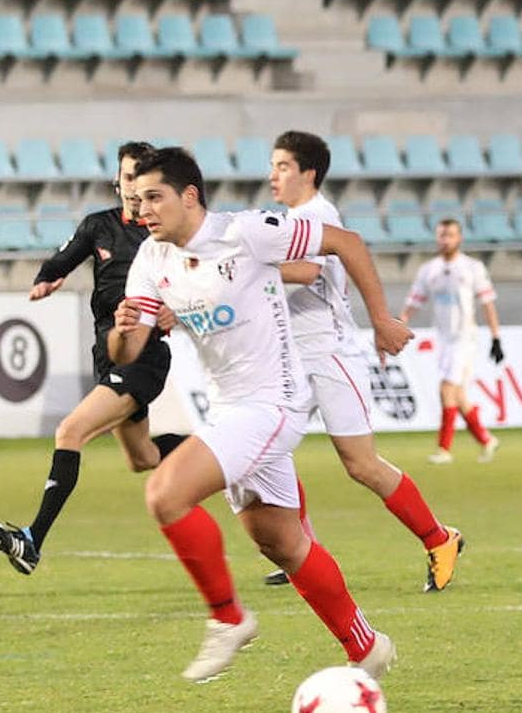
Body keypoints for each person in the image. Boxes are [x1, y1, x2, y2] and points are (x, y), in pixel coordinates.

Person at [110, 146, 410, 682]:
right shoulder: (153, 259)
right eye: (137, 200)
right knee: (282, 542)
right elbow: (129, 351)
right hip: (229, 408)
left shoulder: (247, 232)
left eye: (154, 197)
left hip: (273, 402)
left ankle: (229, 619)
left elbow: (346, 243)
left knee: (165, 494)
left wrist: (382, 319)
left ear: (189, 196)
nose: (143, 210)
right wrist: (123, 329)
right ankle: (365, 646)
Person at [255, 131, 464, 592]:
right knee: (267, 452)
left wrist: (245, 270)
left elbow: (308, 270)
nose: (273, 175)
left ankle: (439, 538)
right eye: (273, 166)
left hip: (329, 353)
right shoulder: (291, 218)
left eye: (283, 166)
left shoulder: (316, 215)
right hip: (294, 359)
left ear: (308, 173)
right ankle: (302, 553)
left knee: (361, 464)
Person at [0, 141, 187, 575]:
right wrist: (46, 279)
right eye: (127, 177)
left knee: (70, 430)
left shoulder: (162, 236)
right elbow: (62, 260)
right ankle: (225, 452)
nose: (133, 188)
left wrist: (178, 309)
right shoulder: (99, 227)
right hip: (108, 353)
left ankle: (32, 539)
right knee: (143, 458)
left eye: (141, 178)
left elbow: (193, 283)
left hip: (144, 356)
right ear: (117, 181)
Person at [400, 218, 503, 465]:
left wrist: (496, 337)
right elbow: (415, 301)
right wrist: (399, 322)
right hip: (443, 339)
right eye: (442, 235)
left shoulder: (472, 267)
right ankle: (486, 440)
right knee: (457, 395)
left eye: (450, 235)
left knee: (446, 389)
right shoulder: (429, 270)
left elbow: (487, 303)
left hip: (464, 338)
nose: (445, 240)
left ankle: (444, 449)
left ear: (459, 238)